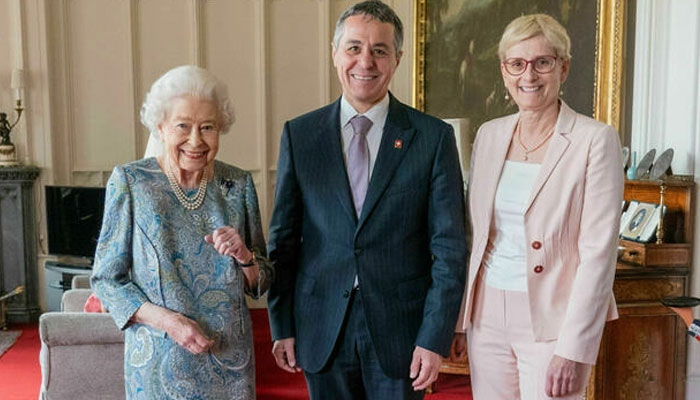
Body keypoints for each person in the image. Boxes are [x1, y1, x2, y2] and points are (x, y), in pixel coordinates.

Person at [266, 1, 467, 398]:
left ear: (397, 59)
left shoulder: (432, 138)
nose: (366, 61)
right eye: (354, 48)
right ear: (335, 54)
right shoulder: (300, 136)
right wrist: (282, 325)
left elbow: (449, 249)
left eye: (379, 50)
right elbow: (283, 243)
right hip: (321, 326)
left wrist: (434, 335)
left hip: (403, 333)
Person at [450, 14, 623, 399]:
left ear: (563, 67)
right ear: (504, 70)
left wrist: (574, 348)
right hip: (487, 314)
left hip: (553, 318)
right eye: (517, 63)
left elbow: (598, 254)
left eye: (542, 62)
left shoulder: (594, 140)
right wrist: (461, 319)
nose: (529, 75)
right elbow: (472, 236)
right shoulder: (490, 135)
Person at [90, 65, 273, 399]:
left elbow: (261, 284)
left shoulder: (238, 185)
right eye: (183, 126)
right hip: (159, 360)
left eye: (208, 127)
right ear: (160, 127)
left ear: (222, 128)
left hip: (229, 361)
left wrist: (245, 257)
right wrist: (170, 323)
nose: (196, 140)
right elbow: (106, 280)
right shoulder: (132, 183)